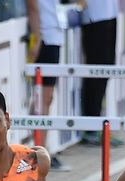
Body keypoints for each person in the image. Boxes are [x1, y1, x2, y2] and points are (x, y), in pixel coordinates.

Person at [25, 0, 70, 171]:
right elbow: (32, 5)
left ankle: (41, 150)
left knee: (47, 98)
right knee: (41, 97)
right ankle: (38, 152)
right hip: (44, 37)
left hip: (54, 35)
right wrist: (36, 37)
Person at [76, 0, 122, 147]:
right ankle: (91, 128)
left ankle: (97, 124)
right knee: (95, 72)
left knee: (106, 70)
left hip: (109, 12)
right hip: (94, 16)